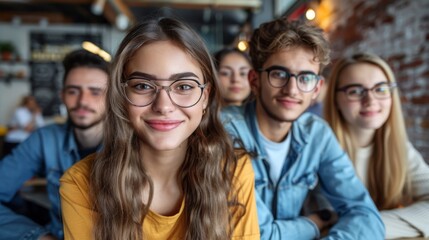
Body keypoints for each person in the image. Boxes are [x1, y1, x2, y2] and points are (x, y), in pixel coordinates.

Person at [59, 17, 259, 240]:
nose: (163, 106)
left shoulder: (232, 170)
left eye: (184, 86)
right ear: (121, 96)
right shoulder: (80, 184)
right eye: (143, 86)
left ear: (205, 96)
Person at [220, 19, 385, 239]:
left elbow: (365, 214)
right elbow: (256, 235)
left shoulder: (317, 134)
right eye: (279, 74)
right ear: (255, 80)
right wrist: (316, 223)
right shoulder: (224, 133)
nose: (292, 89)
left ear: (316, 88)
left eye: (305, 78)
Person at [0, 49, 109, 239]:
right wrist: (36, 236)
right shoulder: (45, 139)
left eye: (95, 92)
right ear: (62, 95)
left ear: (112, 97)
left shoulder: (135, 144)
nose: (83, 101)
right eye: (73, 91)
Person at [324, 52, 429, 239]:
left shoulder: (399, 148)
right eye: (355, 91)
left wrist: (368, 226)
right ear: (335, 100)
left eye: (380, 89)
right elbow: (323, 226)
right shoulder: (319, 152)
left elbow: (342, 226)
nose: (371, 100)